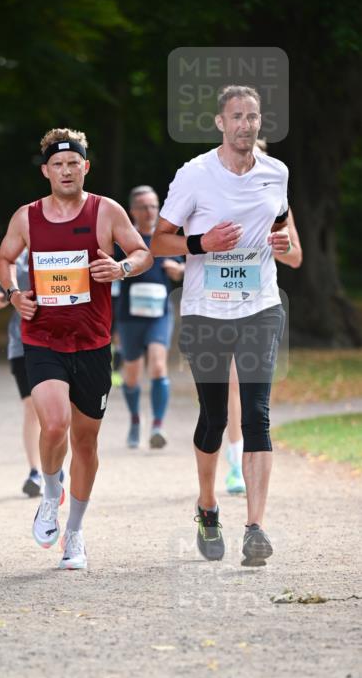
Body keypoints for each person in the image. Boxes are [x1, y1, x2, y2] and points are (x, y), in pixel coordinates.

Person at [0, 127, 153, 570]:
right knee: (54, 424)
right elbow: (5, 258)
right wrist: (13, 292)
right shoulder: (27, 217)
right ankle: (50, 494)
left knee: (85, 442)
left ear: (86, 166)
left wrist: (121, 268)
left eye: (73, 163)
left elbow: (143, 253)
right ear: (46, 171)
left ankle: (76, 533)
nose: (66, 171)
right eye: (57, 165)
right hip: (42, 336)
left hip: (93, 342)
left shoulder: (106, 211)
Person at [152, 85, 291, 567]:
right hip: (205, 311)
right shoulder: (194, 174)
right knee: (214, 419)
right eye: (236, 116)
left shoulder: (277, 173)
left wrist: (283, 246)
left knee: (256, 414)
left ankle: (255, 527)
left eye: (252, 116)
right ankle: (208, 507)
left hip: (260, 306)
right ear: (220, 122)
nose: (245, 125)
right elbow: (158, 243)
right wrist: (202, 242)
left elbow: (285, 234)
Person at [224, 141, 303, 495]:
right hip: (219, 302)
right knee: (229, 384)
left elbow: (296, 257)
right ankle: (232, 458)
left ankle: (241, 464)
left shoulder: (276, 199)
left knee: (246, 385)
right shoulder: (214, 191)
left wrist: (280, 246)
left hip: (258, 304)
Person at [116, 185, 184, 449]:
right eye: (144, 207)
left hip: (159, 313)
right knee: (132, 375)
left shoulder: (165, 237)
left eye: (154, 206)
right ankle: (135, 420)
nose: (150, 211)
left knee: (157, 366)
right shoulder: (123, 238)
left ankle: (157, 426)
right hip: (130, 314)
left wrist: (178, 269)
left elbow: (183, 264)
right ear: (133, 210)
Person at [0, 248, 44, 498]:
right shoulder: (16, 260)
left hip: (62, 342)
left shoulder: (64, 249)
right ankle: (35, 471)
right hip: (22, 344)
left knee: (58, 409)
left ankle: (55, 466)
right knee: (32, 407)